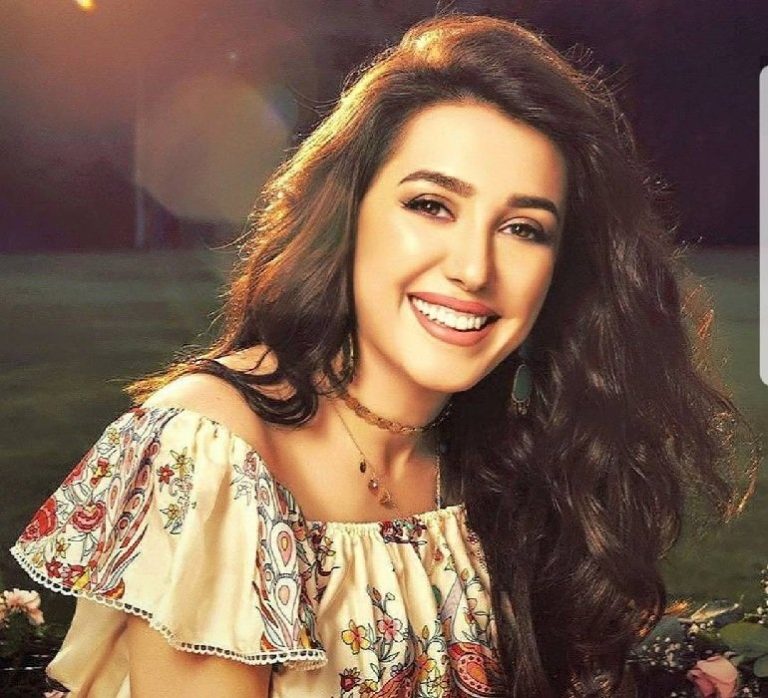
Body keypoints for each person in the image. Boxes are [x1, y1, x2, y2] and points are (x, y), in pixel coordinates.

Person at [9, 11, 760, 698]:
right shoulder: (214, 454)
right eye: (431, 205)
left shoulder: (502, 458)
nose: (473, 268)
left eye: (523, 228)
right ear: (347, 215)